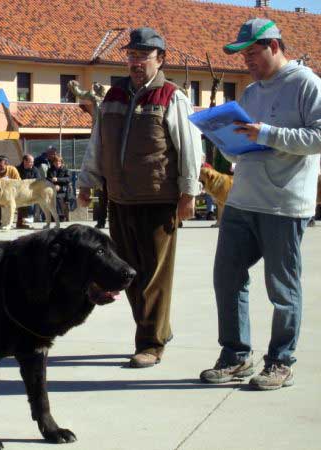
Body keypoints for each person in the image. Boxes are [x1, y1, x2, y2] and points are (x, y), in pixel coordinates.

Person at [199, 19, 321, 390]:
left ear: (274, 46)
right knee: (227, 277)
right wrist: (223, 139)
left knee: (282, 287)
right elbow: (246, 140)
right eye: (243, 54)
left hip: (284, 203)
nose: (247, 60)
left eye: (252, 52)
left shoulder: (307, 84)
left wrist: (266, 133)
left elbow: (318, 137)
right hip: (243, 198)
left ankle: (281, 361)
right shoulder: (250, 93)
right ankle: (236, 355)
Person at [78, 27, 202, 369]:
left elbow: (190, 147)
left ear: (160, 59)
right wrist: (87, 182)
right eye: (131, 56)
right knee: (127, 273)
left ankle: (150, 343)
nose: (135, 62)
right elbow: (97, 144)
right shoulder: (113, 97)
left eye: (142, 56)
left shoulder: (171, 96)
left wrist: (189, 193)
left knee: (154, 276)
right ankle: (157, 329)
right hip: (119, 200)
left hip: (158, 200)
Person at [0, 155, 21, 229]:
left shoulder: (12, 170)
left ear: (6, 164)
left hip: (11, 197)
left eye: (1, 165)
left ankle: (20, 222)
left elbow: (19, 184)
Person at [16, 154, 40, 229]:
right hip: (18, 191)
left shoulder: (35, 169)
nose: (32, 163)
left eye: (33, 162)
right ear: (24, 161)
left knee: (31, 199)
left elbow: (38, 180)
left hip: (31, 191)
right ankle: (21, 222)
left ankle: (29, 216)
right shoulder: (17, 169)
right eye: (30, 162)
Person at [47, 155, 71, 222]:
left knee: (58, 197)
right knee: (51, 197)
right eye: (56, 162)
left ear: (61, 162)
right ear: (53, 162)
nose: (58, 163)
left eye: (59, 162)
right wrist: (54, 185)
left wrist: (58, 180)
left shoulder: (65, 170)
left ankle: (60, 216)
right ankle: (53, 216)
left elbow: (68, 179)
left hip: (64, 189)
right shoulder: (50, 170)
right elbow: (48, 179)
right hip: (53, 189)